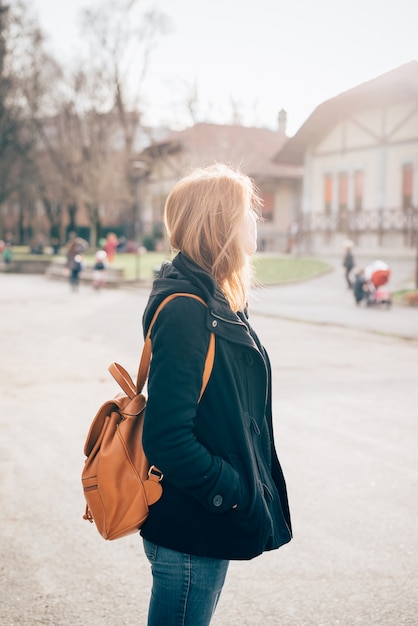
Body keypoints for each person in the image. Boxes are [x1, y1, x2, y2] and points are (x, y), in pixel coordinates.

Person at [140, 164, 292, 626]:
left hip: (202, 517)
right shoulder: (188, 308)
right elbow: (166, 437)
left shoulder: (216, 300)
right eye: (247, 211)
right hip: (193, 523)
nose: (254, 222)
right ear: (218, 220)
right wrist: (230, 491)